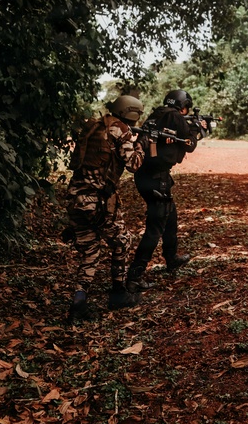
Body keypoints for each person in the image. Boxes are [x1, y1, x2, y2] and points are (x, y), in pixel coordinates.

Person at [66, 95, 146, 323]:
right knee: (122, 241)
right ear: (131, 112)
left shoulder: (95, 125)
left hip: (75, 198)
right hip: (97, 201)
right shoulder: (121, 130)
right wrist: (140, 144)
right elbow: (134, 165)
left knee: (90, 252)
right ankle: (119, 293)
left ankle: (78, 304)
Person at [125, 89, 202, 293]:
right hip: (156, 177)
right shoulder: (175, 117)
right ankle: (135, 275)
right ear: (183, 105)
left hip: (146, 174)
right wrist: (198, 129)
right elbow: (190, 144)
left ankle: (171, 258)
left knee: (171, 216)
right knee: (155, 227)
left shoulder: (158, 113)